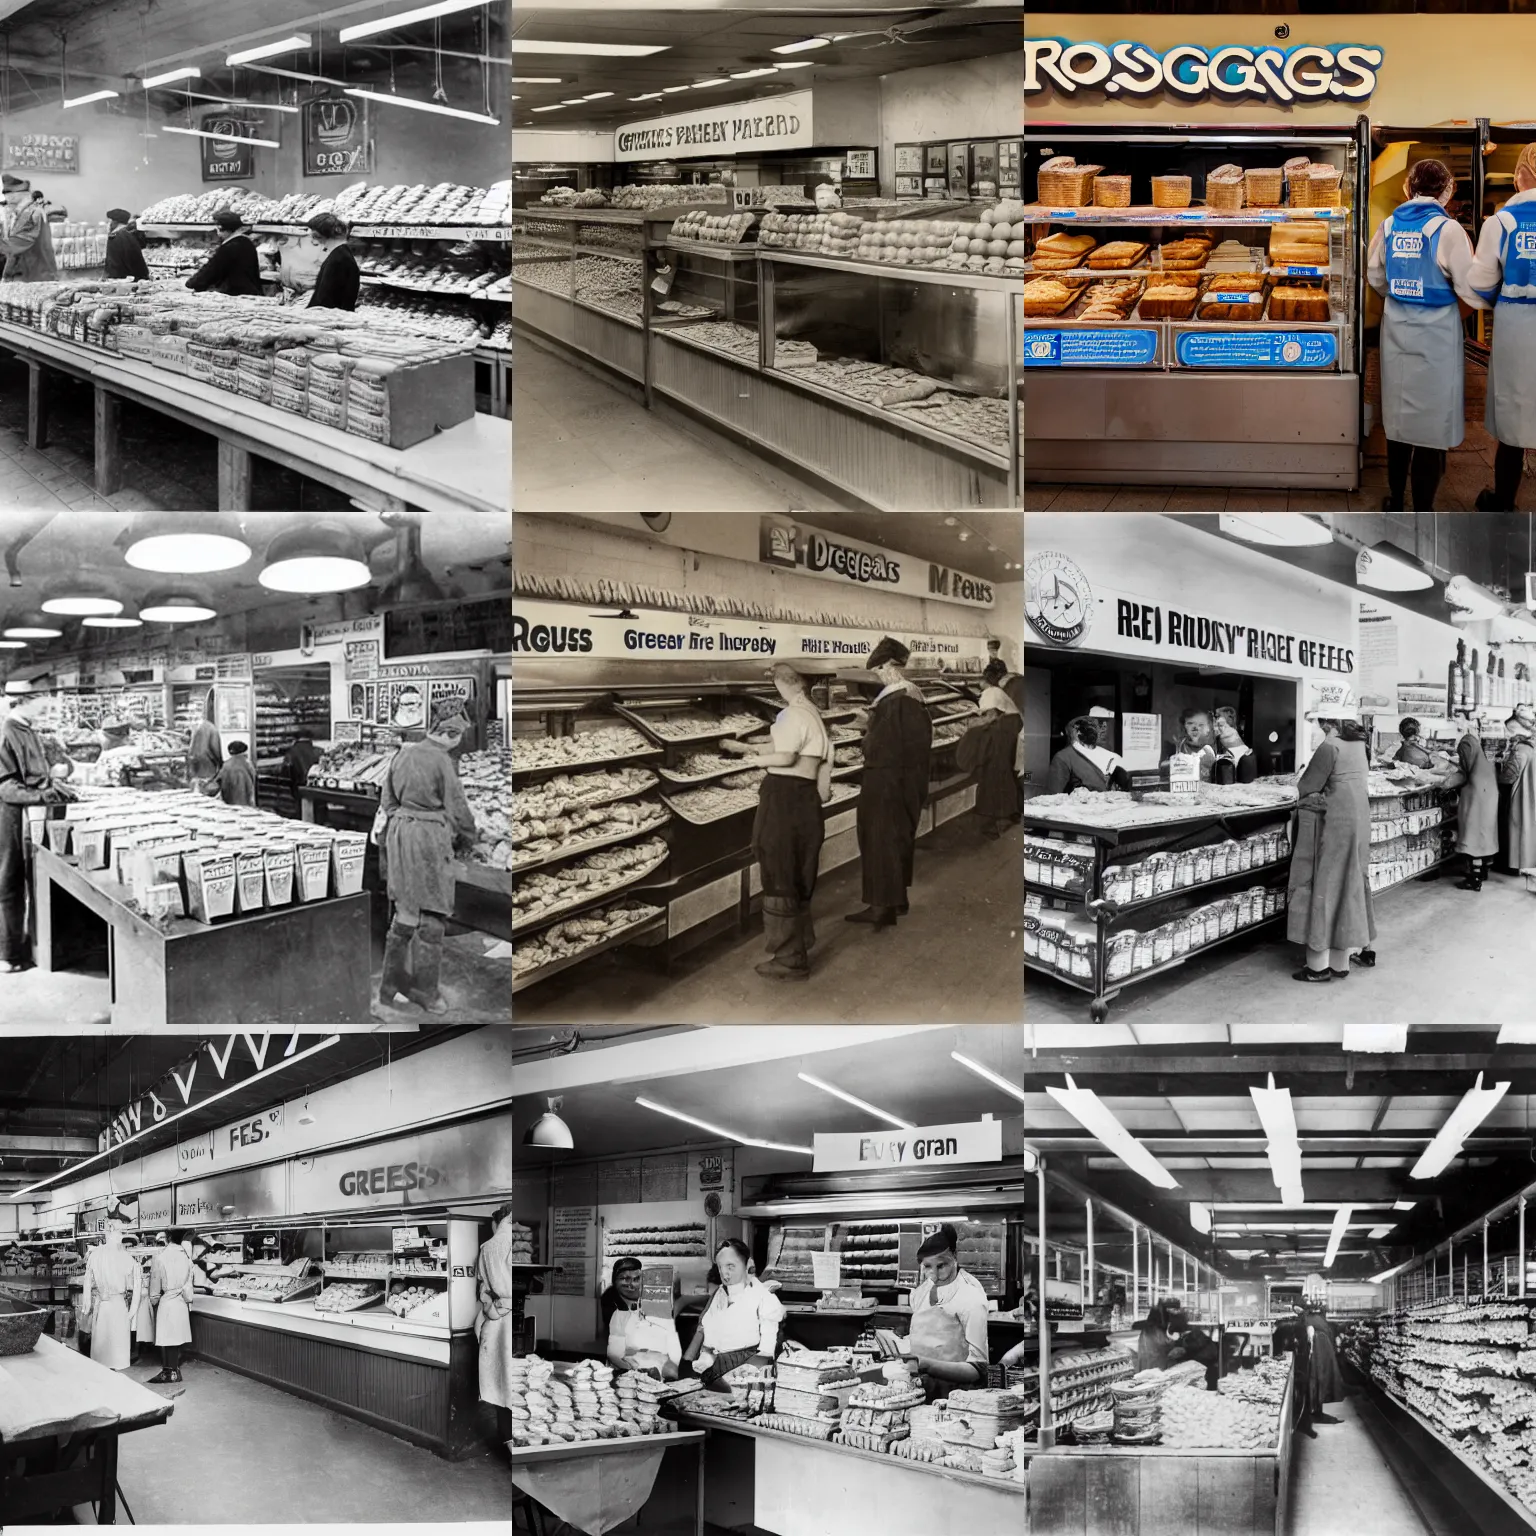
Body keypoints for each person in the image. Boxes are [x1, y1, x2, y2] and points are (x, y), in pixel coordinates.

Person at [1367, 157, 1476, 511]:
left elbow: (1376, 277)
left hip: (1397, 329)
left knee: (1399, 420)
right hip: (1437, 335)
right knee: (1431, 424)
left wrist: (1402, 298)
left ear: (1408, 187)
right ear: (1446, 191)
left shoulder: (1388, 226)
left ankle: (1396, 499)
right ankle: (1423, 509)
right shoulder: (1450, 232)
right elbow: (1470, 289)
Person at [721, 662, 832, 980]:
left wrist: (750, 759)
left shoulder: (790, 714)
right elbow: (791, 747)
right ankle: (799, 946)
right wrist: (747, 746)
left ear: (782, 683)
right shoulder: (808, 710)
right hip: (805, 799)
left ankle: (788, 958)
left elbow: (785, 757)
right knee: (796, 874)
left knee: (778, 871)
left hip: (785, 800)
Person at [376, 712, 477, 1014]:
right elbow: (458, 808)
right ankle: (427, 993)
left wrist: (404, 822)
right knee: (432, 916)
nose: (457, 742)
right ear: (450, 733)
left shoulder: (402, 755)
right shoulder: (442, 760)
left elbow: (387, 801)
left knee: (405, 911)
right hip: (429, 839)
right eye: (457, 737)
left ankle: (387, 989)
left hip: (399, 834)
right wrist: (468, 836)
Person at [1467, 142, 1536, 508]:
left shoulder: (1503, 221)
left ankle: (1504, 504)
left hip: (1517, 326)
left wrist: (1498, 297)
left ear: (1522, 174)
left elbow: (1478, 282)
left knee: (1513, 417)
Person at [845, 636, 931, 929]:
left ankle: (880, 909)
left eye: (878, 671)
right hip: (908, 781)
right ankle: (897, 901)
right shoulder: (912, 695)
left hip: (886, 783)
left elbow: (877, 748)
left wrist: (866, 728)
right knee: (898, 841)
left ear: (885, 666)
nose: (878, 677)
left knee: (879, 840)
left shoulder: (895, 701)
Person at [1287, 710, 1376, 983]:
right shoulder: (1360, 744)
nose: (1318, 727)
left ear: (1329, 722)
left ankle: (1318, 967)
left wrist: (1290, 790)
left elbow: (1306, 786)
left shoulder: (1329, 746)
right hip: (1358, 819)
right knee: (1349, 884)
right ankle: (1341, 962)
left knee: (1325, 886)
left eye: (1319, 722)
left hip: (1335, 822)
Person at [0, 687, 68, 974]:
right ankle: (8, 953)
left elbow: (35, 775)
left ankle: (28, 944)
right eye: (42, 703)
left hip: (30, 813)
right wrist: (45, 795)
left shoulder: (28, 729)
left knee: (26, 878)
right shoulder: (7, 733)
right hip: (10, 815)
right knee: (9, 879)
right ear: (25, 701)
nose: (47, 709)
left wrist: (54, 779)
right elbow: (6, 786)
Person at [897, 1225, 989, 1400]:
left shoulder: (971, 1297)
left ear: (954, 1257)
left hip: (957, 1397)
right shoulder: (921, 1292)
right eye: (927, 1267)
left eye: (941, 1265)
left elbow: (978, 1370)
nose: (934, 1274)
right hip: (921, 1391)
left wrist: (926, 1364)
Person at [679, 1239, 784, 1388]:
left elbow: (766, 1353)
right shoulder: (719, 1295)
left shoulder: (764, 1298)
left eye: (730, 1266)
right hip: (715, 1374)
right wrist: (705, 1359)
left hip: (746, 1377)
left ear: (747, 1265)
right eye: (721, 1267)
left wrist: (745, 1374)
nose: (724, 1273)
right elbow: (711, 1341)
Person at [1442, 716, 1500, 889]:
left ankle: (1474, 880)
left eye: (1462, 755)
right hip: (1488, 809)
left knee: (1473, 841)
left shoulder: (1472, 770)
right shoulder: (1485, 763)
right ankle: (1482, 871)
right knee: (1484, 840)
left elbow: (1455, 779)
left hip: (1476, 810)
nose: (1462, 758)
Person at [476, 1204, 516, 1449]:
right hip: (514, 1318)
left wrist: (492, 1305)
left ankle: (508, 1440)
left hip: (498, 1321)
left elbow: (483, 1287)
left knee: (502, 1385)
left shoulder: (488, 1247)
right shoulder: (517, 1245)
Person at [957, 690, 1023, 836]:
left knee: (990, 790)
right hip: (1007, 755)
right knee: (1008, 782)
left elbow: (986, 720)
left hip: (993, 761)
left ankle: (990, 826)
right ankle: (1013, 813)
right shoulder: (1006, 710)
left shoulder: (992, 723)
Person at [80, 1220, 142, 1372]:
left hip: (102, 1307)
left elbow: (87, 1283)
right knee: (116, 1354)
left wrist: (86, 1306)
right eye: (121, 1233)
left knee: (101, 1353)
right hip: (118, 1308)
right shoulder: (127, 1258)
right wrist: (132, 1312)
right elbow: (137, 1288)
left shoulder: (94, 1255)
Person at [604, 1258, 682, 1378]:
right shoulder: (619, 1313)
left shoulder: (662, 1314)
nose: (632, 1285)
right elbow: (614, 1354)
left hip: (658, 1368)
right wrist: (631, 1370)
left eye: (636, 1279)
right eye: (625, 1279)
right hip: (630, 1368)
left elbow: (673, 1359)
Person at [186, 207, 265, 296]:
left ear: (221, 228)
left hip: (235, 294)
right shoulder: (246, 243)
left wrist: (191, 283)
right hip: (251, 292)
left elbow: (211, 271)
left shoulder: (229, 247)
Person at [149, 1229, 193, 1384]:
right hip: (180, 1301)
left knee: (168, 1338)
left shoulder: (160, 1257)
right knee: (175, 1338)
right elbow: (189, 1283)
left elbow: (155, 1283)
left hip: (167, 1300)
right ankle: (172, 1369)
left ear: (167, 1238)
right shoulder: (187, 1257)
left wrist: (154, 1299)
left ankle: (170, 1372)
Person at [1046, 714, 1132, 793]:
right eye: (1091, 727)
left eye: (1097, 726)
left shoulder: (1108, 755)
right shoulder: (1063, 758)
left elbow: (1126, 787)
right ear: (1076, 731)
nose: (1100, 730)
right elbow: (1053, 796)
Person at [1499, 707, 1536, 875]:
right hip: (1532, 794)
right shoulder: (1532, 748)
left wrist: (1499, 775)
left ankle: (1516, 865)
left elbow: (1509, 776)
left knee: (1519, 827)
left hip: (1523, 795)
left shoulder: (1521, 750)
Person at [0, 174, 56, 280]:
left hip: (36, 276)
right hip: (28, 275)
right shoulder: (19, 213)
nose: (7, 200)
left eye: (8, 195)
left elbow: (15, 245)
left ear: (14, 195)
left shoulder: (30, 213)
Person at [1273, 1303, 1316, 1437]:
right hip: (1299, 1364)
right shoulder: (1300, 1327)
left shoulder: (1283, 1327)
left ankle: (1295, 1424)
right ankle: (1301, 1424)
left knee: (1298, 1394)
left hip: (1296, 1364)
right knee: (1301, 1394)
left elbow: (1278, 1348)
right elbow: (1304, 1346)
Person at [305, 213, 361, 311]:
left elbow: (325, 299)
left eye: (313, 230)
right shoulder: (340, 254)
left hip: (330, 319)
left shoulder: (339, 259)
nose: (310, 233)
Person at [1303, 1305, 1346, 1426]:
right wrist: (1311, 1351)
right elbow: (1310, 1336)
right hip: (1320, 1352)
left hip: (1320, 1352)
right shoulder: (1316, 1320)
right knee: (1320, 1378)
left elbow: (1310, 1335)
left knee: (1318, 1378)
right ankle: (1316, 1411)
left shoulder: (1310, 1319)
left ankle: (1315, 1409)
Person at [1210, 706, 1259, 785]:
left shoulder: (1225, 727)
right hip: (1240, 753)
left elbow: (1216, 732)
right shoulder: (1230, 728)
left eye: (1217, 715)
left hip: (1240, 754)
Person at [1165, 706, 1217, 779]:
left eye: (1201, 725)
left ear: (1208, 728)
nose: (1195, 728)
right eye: (1190, 723)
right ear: (1184, 726)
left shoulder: (1211, 750)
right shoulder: (1177, 749)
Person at [104, 207, 149, 281]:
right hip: (135, 278)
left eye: (109, 221)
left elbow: (114, 265)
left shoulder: (115, 237)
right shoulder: (128, 235)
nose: (109, 224)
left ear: (114, 222)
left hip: (122, 281)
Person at [208, 740, 256, 806]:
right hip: (248, 805)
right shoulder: (249, 764)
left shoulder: (226, 766)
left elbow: (214, 787)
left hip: (230, 806)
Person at [283, 729, 321, 803]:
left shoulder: (291, 752)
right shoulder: (319, 751)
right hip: (318, 790)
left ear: (295, 739)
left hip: (298, 789)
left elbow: (286, 773)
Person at [189, 709, 223, 782]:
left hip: (196, 765)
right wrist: (220, 763)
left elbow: (191, 749)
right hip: (208, 765)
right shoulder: (212, 729)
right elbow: (216, 749)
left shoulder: (195, 729)